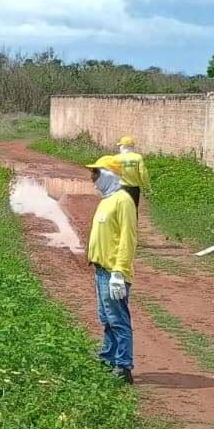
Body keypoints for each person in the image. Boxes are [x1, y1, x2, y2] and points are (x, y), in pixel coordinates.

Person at [85, 156, 138, 384]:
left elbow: (128, 238)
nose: (92, 177)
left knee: (118, 319)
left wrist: (119, 271)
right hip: (100, 270)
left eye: (96, 173)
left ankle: (123, 365)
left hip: (113, 272)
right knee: (106, 318)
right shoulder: (106, 199)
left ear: (108, 173)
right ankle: (108, 357)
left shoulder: (123, 200)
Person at [113, 135, 153, 207]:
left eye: (120, 146)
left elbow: (111, 174)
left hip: (119, 188)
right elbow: (143, 173)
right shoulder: (138, 157)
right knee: (133, 210)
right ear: (131, 147)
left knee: (120, 211)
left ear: (122, 147)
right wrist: (147, 188)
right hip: (134, 189)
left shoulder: (116, 158)